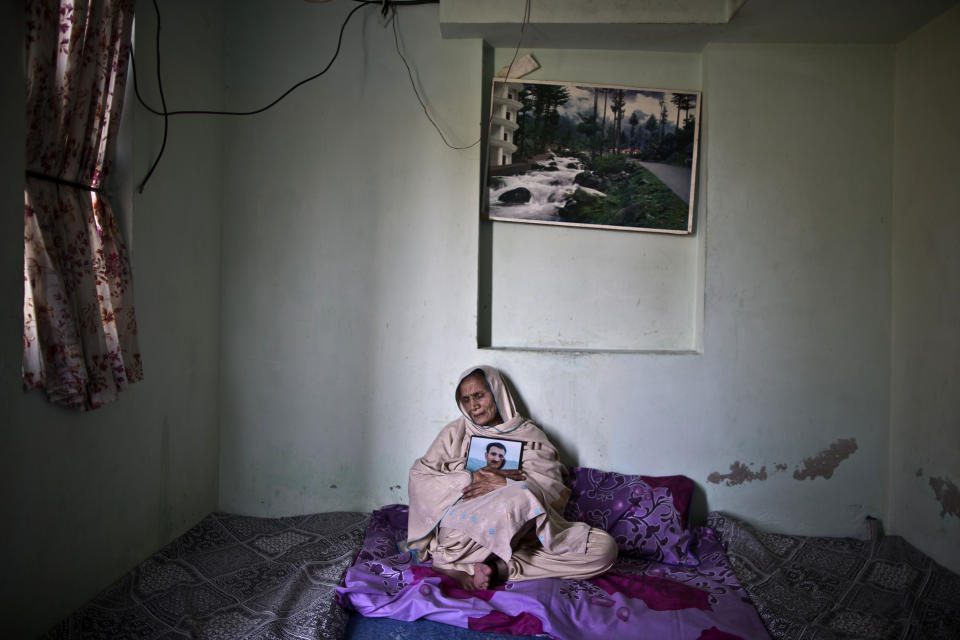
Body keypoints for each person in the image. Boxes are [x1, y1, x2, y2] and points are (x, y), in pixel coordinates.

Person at [401, 366, 617, 591]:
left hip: (524, 534)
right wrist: (468, 478)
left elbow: (551, 491)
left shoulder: (531, 436)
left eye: (479, 395)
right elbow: (420, 478)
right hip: (465, 534)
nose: (473, 405)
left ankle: (497, 568)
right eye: (465, 400)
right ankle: (452, 561)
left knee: (603, 550)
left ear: (497, 393)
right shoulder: (456, 433)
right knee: (514, 498)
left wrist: (507, 486)